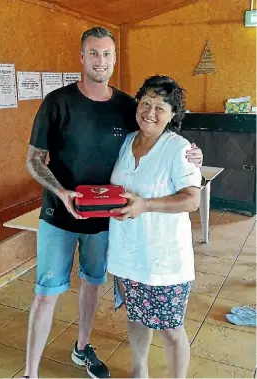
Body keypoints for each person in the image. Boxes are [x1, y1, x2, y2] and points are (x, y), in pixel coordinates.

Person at [24, 27, 203, 379]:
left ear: (114, 58)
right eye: (93, 53)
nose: (100, 61)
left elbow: (161, 132)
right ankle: (31, 373)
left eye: (107, 54)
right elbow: (33, 160)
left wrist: (193, 151)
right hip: (59, 217)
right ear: (81, 56)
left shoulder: (126, 106)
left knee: (93, 285)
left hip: (106, 224)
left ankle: (82, 349)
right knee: (47, 294)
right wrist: (62, 193)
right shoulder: (57, 102)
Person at [107, 75, 202, 379]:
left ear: (173, 114)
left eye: (160, 107)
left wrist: (146, 204)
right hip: (127, 251)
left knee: (172, 329)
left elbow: (191, 201)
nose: (150, 111)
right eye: (146, 103)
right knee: (136, 316)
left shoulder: (179, 149)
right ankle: (139, 370)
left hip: (164, 257)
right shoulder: (125, 142)